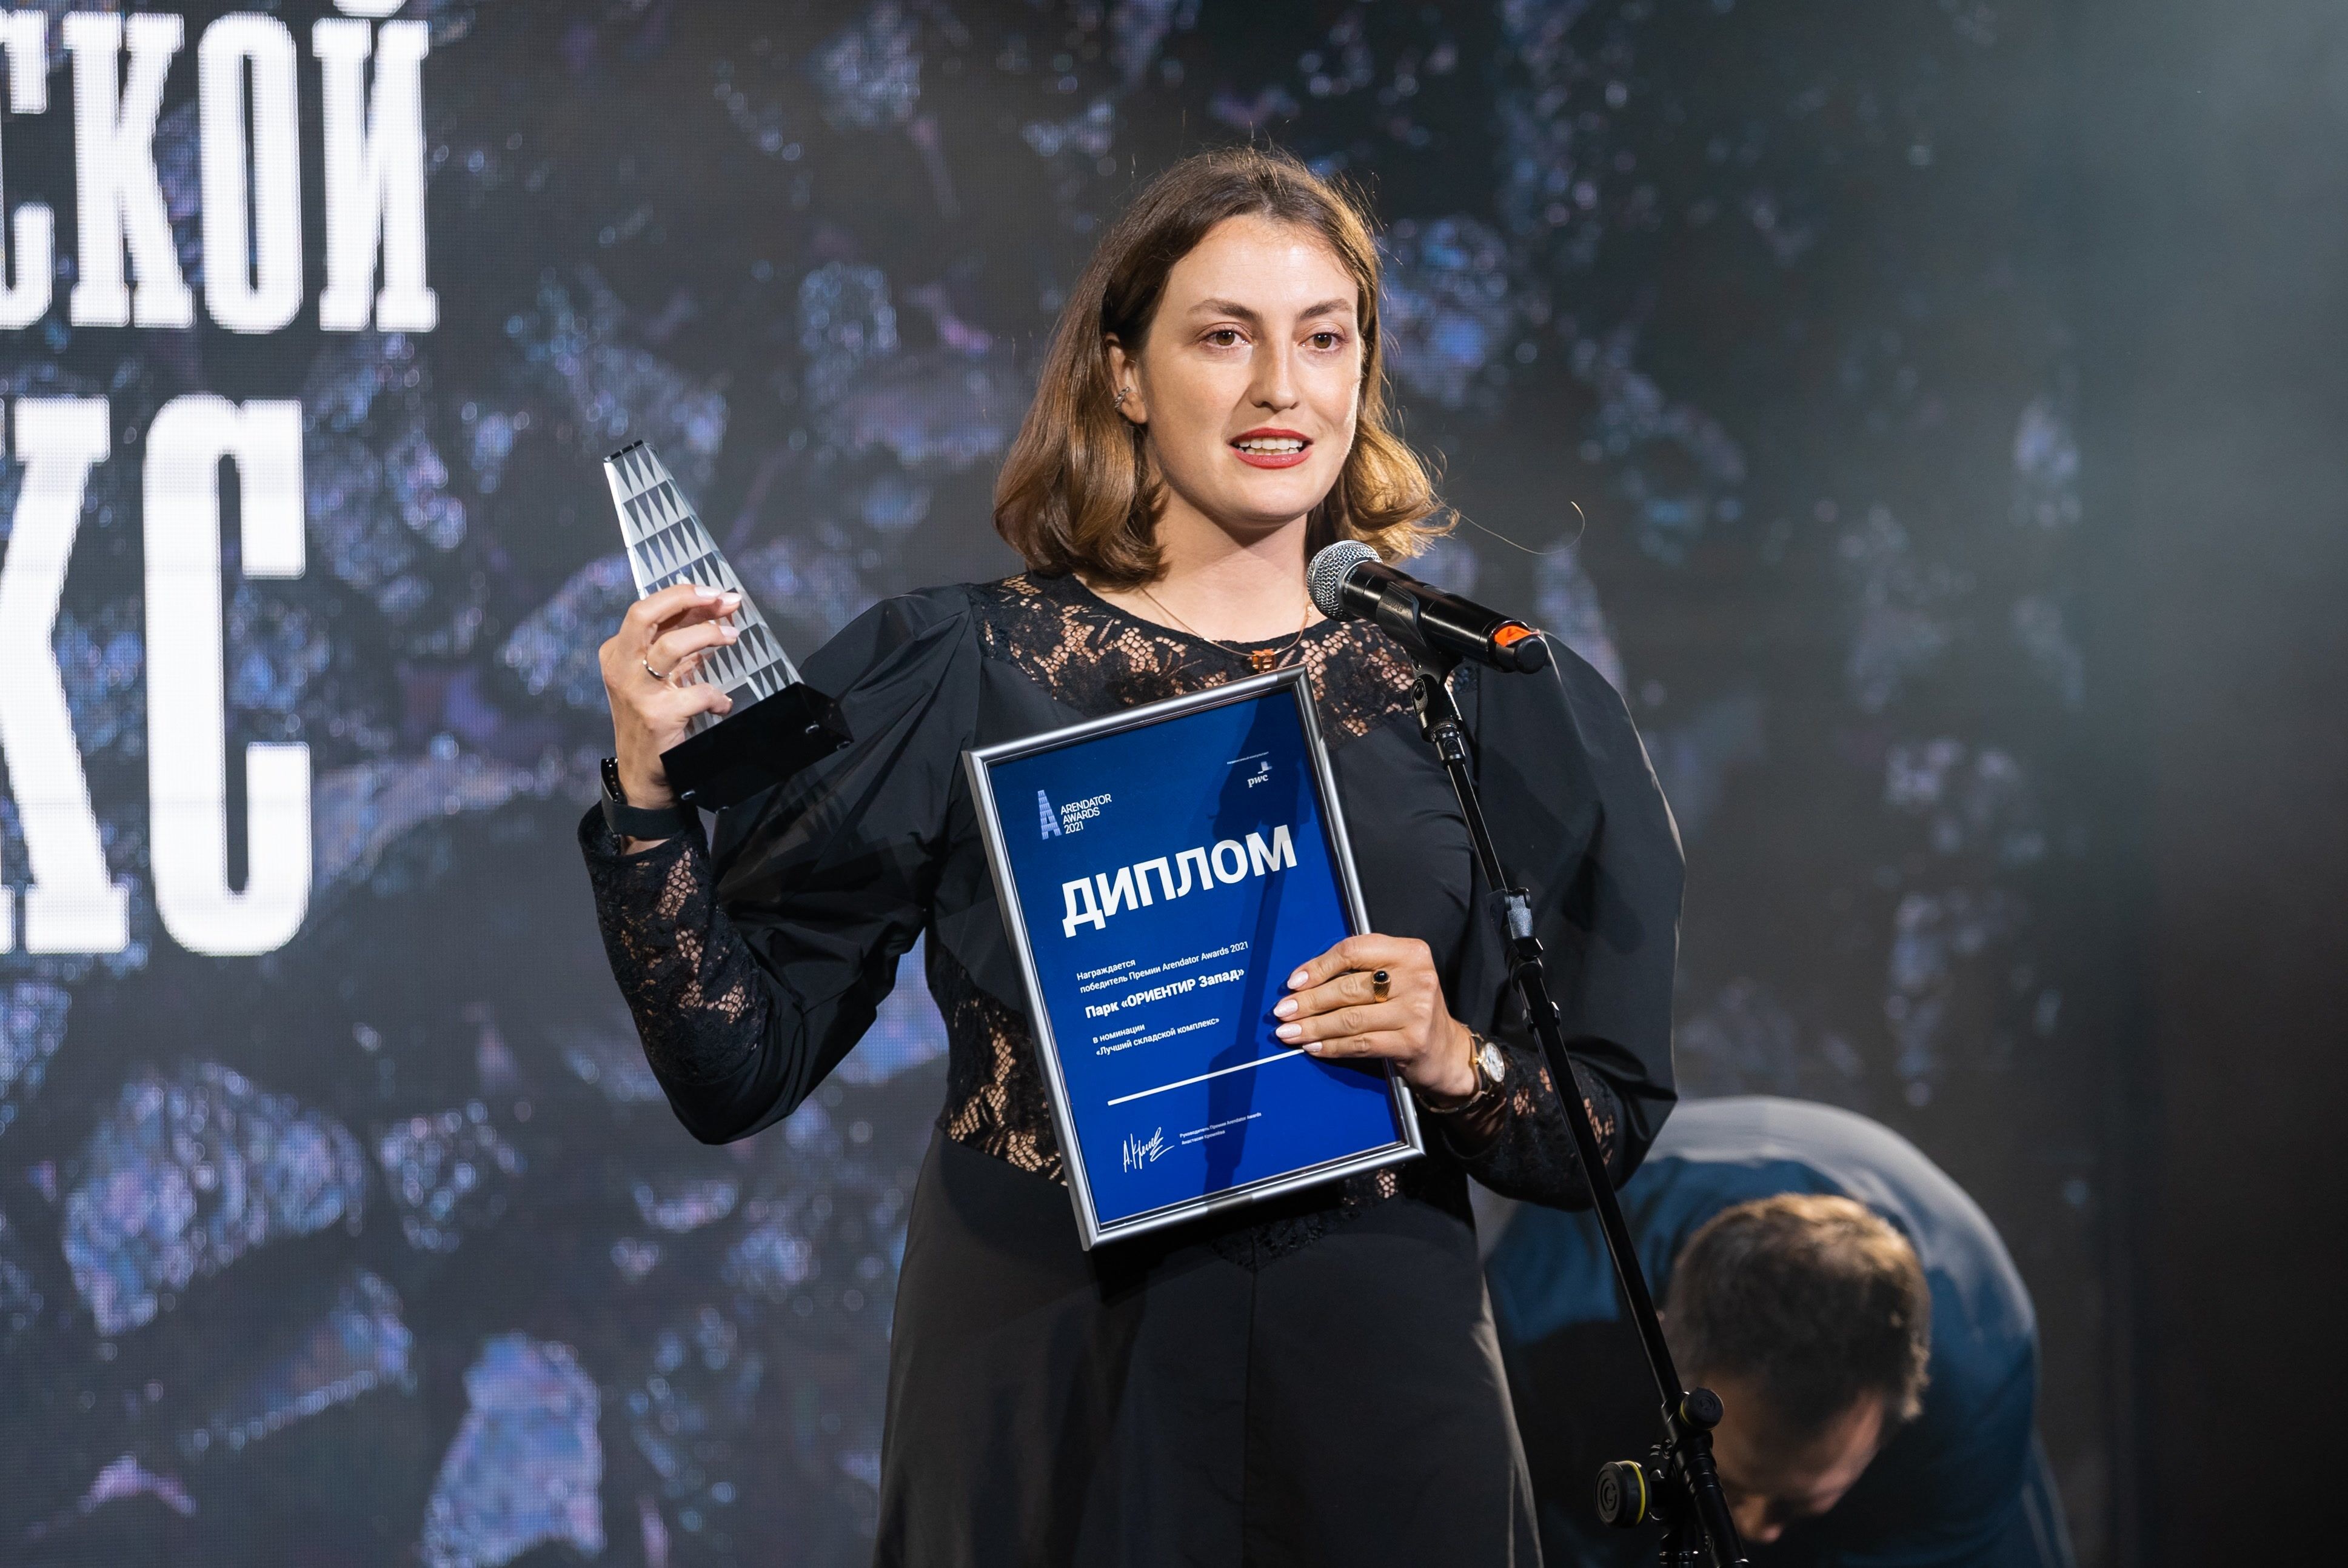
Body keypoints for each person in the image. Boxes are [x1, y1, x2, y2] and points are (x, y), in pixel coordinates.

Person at [581, 145, 1684, 1567]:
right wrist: (647, 799)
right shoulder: (955, 668)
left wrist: (1448, 1054)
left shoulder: (1483, 692)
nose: (1281, 387)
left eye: (1323, 339)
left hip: (1371, 1382)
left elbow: (1600, 1124)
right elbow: (736, 1067)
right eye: (1223, 337)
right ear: (1122, 373)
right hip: (1049, 1366)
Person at [1484, 1095, 2076, 1568]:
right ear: (1665, 1336)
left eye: (1794, 1501)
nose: (1751, 1528)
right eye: (1733, 1484)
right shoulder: (1538, 1307)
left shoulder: (1977, 1378)